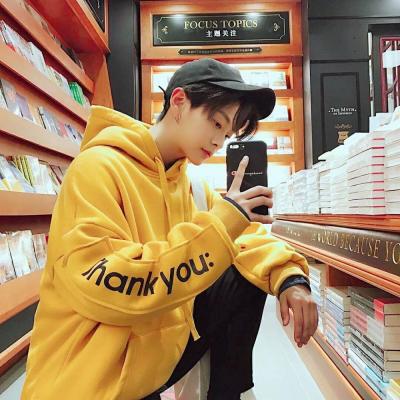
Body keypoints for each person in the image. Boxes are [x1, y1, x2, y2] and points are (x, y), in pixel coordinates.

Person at [22, 58, 317, 400]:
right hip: (93, 376)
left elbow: (246, 240)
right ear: (179, 101)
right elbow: (104, 286)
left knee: (246, 272)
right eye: (216, 123)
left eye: (227, 134)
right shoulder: (97, 168)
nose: (218, 141)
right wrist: (219, 226)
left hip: (152, 362)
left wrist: (291, 280)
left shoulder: (190, 186)